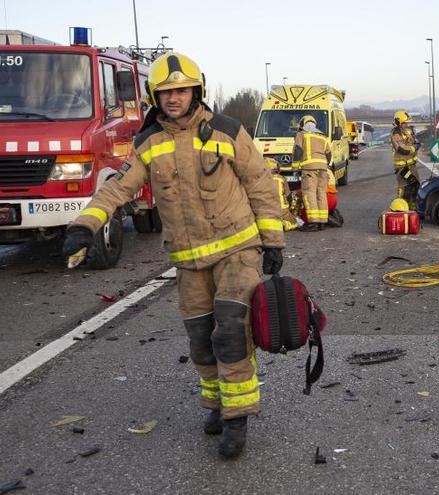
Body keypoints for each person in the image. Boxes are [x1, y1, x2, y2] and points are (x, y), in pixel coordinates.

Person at [61, 52, 285, 460]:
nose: (174, 98)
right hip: (188, 261)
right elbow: (118, 189)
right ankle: (217, 404)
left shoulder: (228, 131)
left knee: (231, 327)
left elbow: (261, 185)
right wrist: (84, 226)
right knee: (201, 339)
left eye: (181, 90)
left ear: (196, 90)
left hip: (238, 249)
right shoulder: (148, 143)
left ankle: (238, 418)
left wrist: (272, 241)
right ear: (155, 96)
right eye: (165, 92)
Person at [292, 115, 331, 232]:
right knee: (321, 194)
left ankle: (313, 222)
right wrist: (324, 165)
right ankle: (322, 222)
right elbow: (329, 154)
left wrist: (295, 166)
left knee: (310, 193)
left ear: (303, 124)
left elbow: (298, 150)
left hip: (309, 169)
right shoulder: (322, 137)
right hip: (323, 169)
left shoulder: (302, 135)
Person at [390, 110, 420, 209]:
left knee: (415, 186)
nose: (407, 124)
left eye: (407, 122)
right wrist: (415, 147)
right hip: (402, 167)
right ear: (398, 122)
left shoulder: (408, 131)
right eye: (404, 123)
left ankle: (413, 208)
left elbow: (414, 140)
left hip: (412, 166)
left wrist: (416, 143)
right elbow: (402, 149)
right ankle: (400, 208)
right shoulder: (396, 134)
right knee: (405, 188)